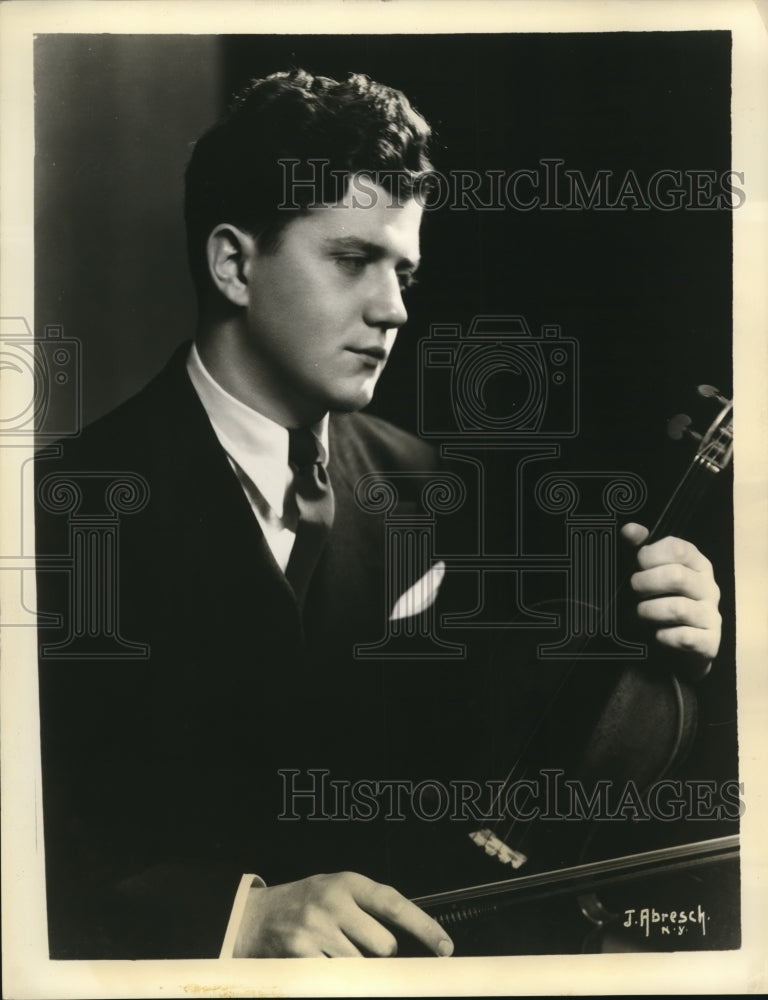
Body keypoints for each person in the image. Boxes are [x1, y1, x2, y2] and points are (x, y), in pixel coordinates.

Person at [35, 68, 722, 960]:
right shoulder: (50, 510)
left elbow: (530, 776)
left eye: (405, 270)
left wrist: (667, 657)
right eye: (354, 260)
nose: (395, 309)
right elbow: (41, 844)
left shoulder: (435, 486)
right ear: (234, 264)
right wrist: (234, 920)